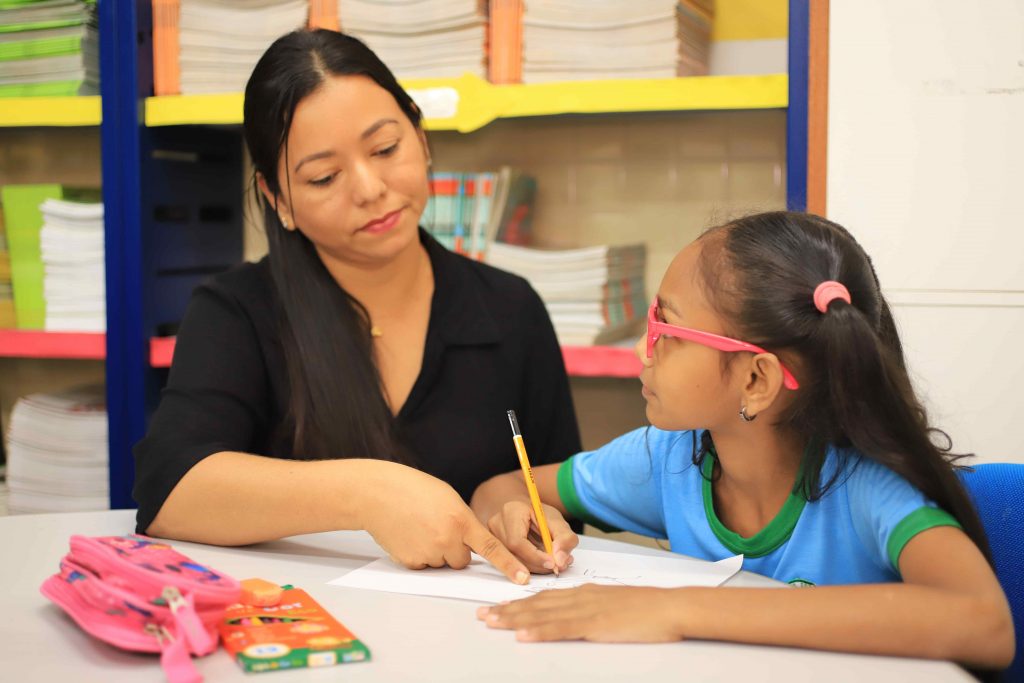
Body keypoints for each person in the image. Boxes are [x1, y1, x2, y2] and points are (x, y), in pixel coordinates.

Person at [132, 29, 581, 584]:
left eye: (386, 148)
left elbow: (557, 484)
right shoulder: (236, 311)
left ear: (419, 135)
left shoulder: (511, 308)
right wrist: (365, 493)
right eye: (324, 177)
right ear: (277, 199)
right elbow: (170, 490)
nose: (369, 188)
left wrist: (523, 515)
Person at [472, 211, 1014, 669]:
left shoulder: (863, 488)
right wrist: (520, 513)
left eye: (667, 328)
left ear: (756, 380)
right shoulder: (671, 460)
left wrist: (674, 610)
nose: (643, 347)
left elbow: (985, 623)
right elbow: (496, 490)